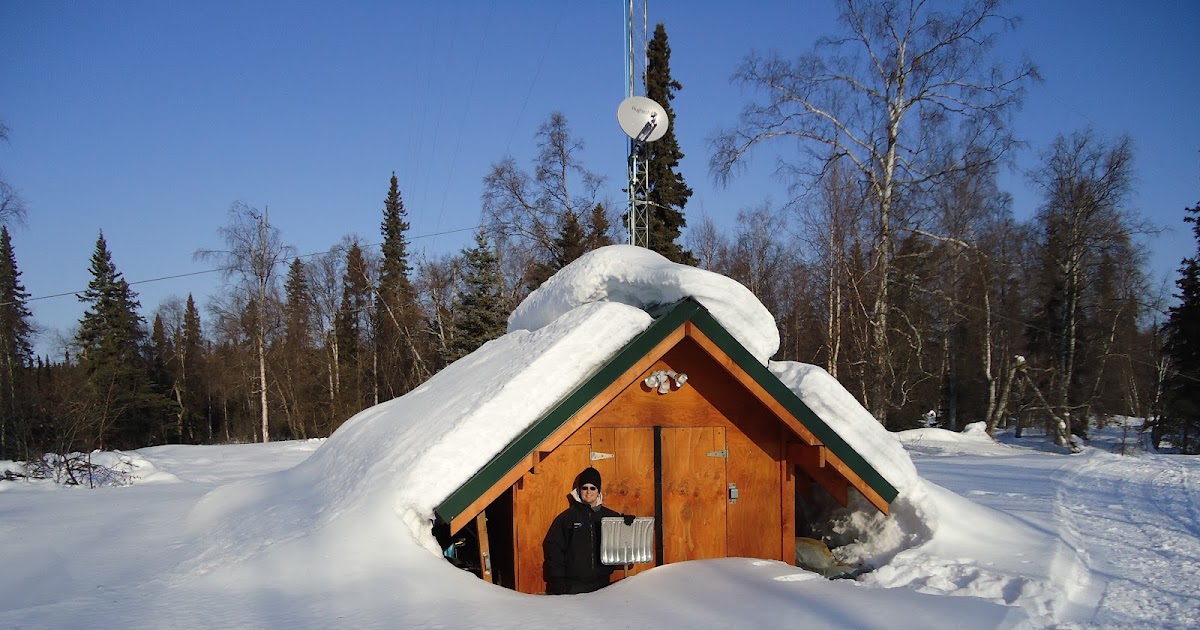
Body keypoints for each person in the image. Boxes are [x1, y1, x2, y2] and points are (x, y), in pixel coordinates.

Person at [542, 466, 628, 595]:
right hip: (574, 586)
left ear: (598, 490)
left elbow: (624, 542)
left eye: (592, 488)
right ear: (579, 490)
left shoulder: (610, 517)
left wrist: (626, 523)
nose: (588, 492)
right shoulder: (567, 518)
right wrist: (557, 580)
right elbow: (553, 548)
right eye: (585, 488)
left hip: (602, 585)